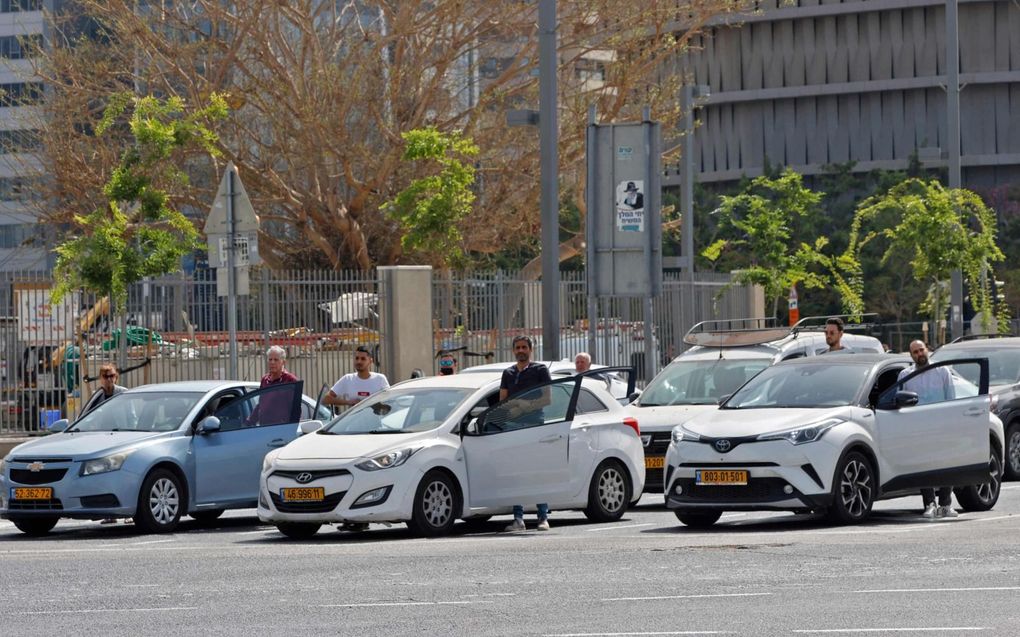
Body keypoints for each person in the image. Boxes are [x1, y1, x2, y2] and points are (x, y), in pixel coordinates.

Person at [897, 339, 958, 519]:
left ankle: (946, 504)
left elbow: (951, 399)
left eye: (921, 350)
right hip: (918, 427)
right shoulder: (904, 375)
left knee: (946, 464)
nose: (919, 354)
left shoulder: (942, 371)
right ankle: (930, 504)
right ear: (911, 355)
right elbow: (899, 400)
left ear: (927, 350)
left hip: (941, 425)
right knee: (924, 465)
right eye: (915, 352)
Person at [500, 335, 553, 532]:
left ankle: (542, 517)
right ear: (513, 350)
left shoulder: (540, 370)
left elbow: (547, 399)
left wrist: (524, 406)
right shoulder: (508, 373)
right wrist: (514, 407)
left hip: (535, 425)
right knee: (516, 473)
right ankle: (518, 518)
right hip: (513, 426)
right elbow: (503, 401)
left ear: (531, 350)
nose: (521, 350)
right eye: (518, 347)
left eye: (524, 347)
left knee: (537, 470)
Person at [247, 346, 300, 426]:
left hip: (281, 430)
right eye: (270, 359)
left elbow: (296, 409)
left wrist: (291, 428)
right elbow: (261, 404)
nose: (272, 362)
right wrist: (249, 422)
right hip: (264, 428)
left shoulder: (290, 380)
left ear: (283, 362)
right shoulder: (265, 379)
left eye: (276, 360)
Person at [324, 346, 389, 408]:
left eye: (363, 359)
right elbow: (326, 398)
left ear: (370, 361)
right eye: (357, 358)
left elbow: (390, 400)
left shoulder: (380, 379)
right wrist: (348, 402)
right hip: (355, 419)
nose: (359, 361)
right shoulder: (347, 379)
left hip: (375, 419)